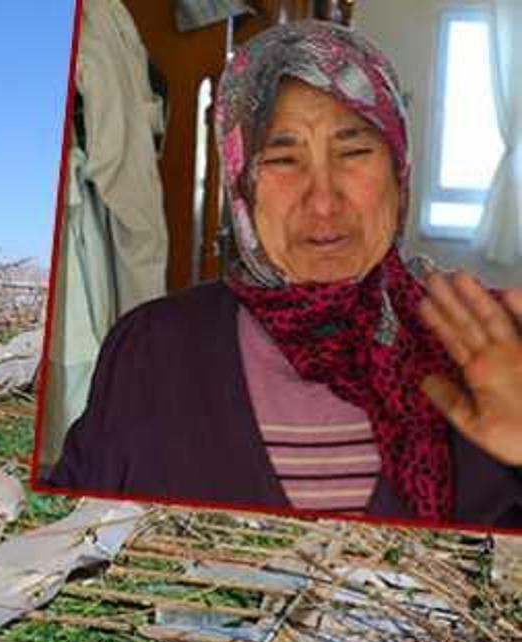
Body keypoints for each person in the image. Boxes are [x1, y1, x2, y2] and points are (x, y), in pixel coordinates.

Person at [43, 20, 522, 527]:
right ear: (241, 185)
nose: (323, 201)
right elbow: (58, 538)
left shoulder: (495, 349)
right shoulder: (151, 350)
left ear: (399, 168)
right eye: (283, 159)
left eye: (354, 152)